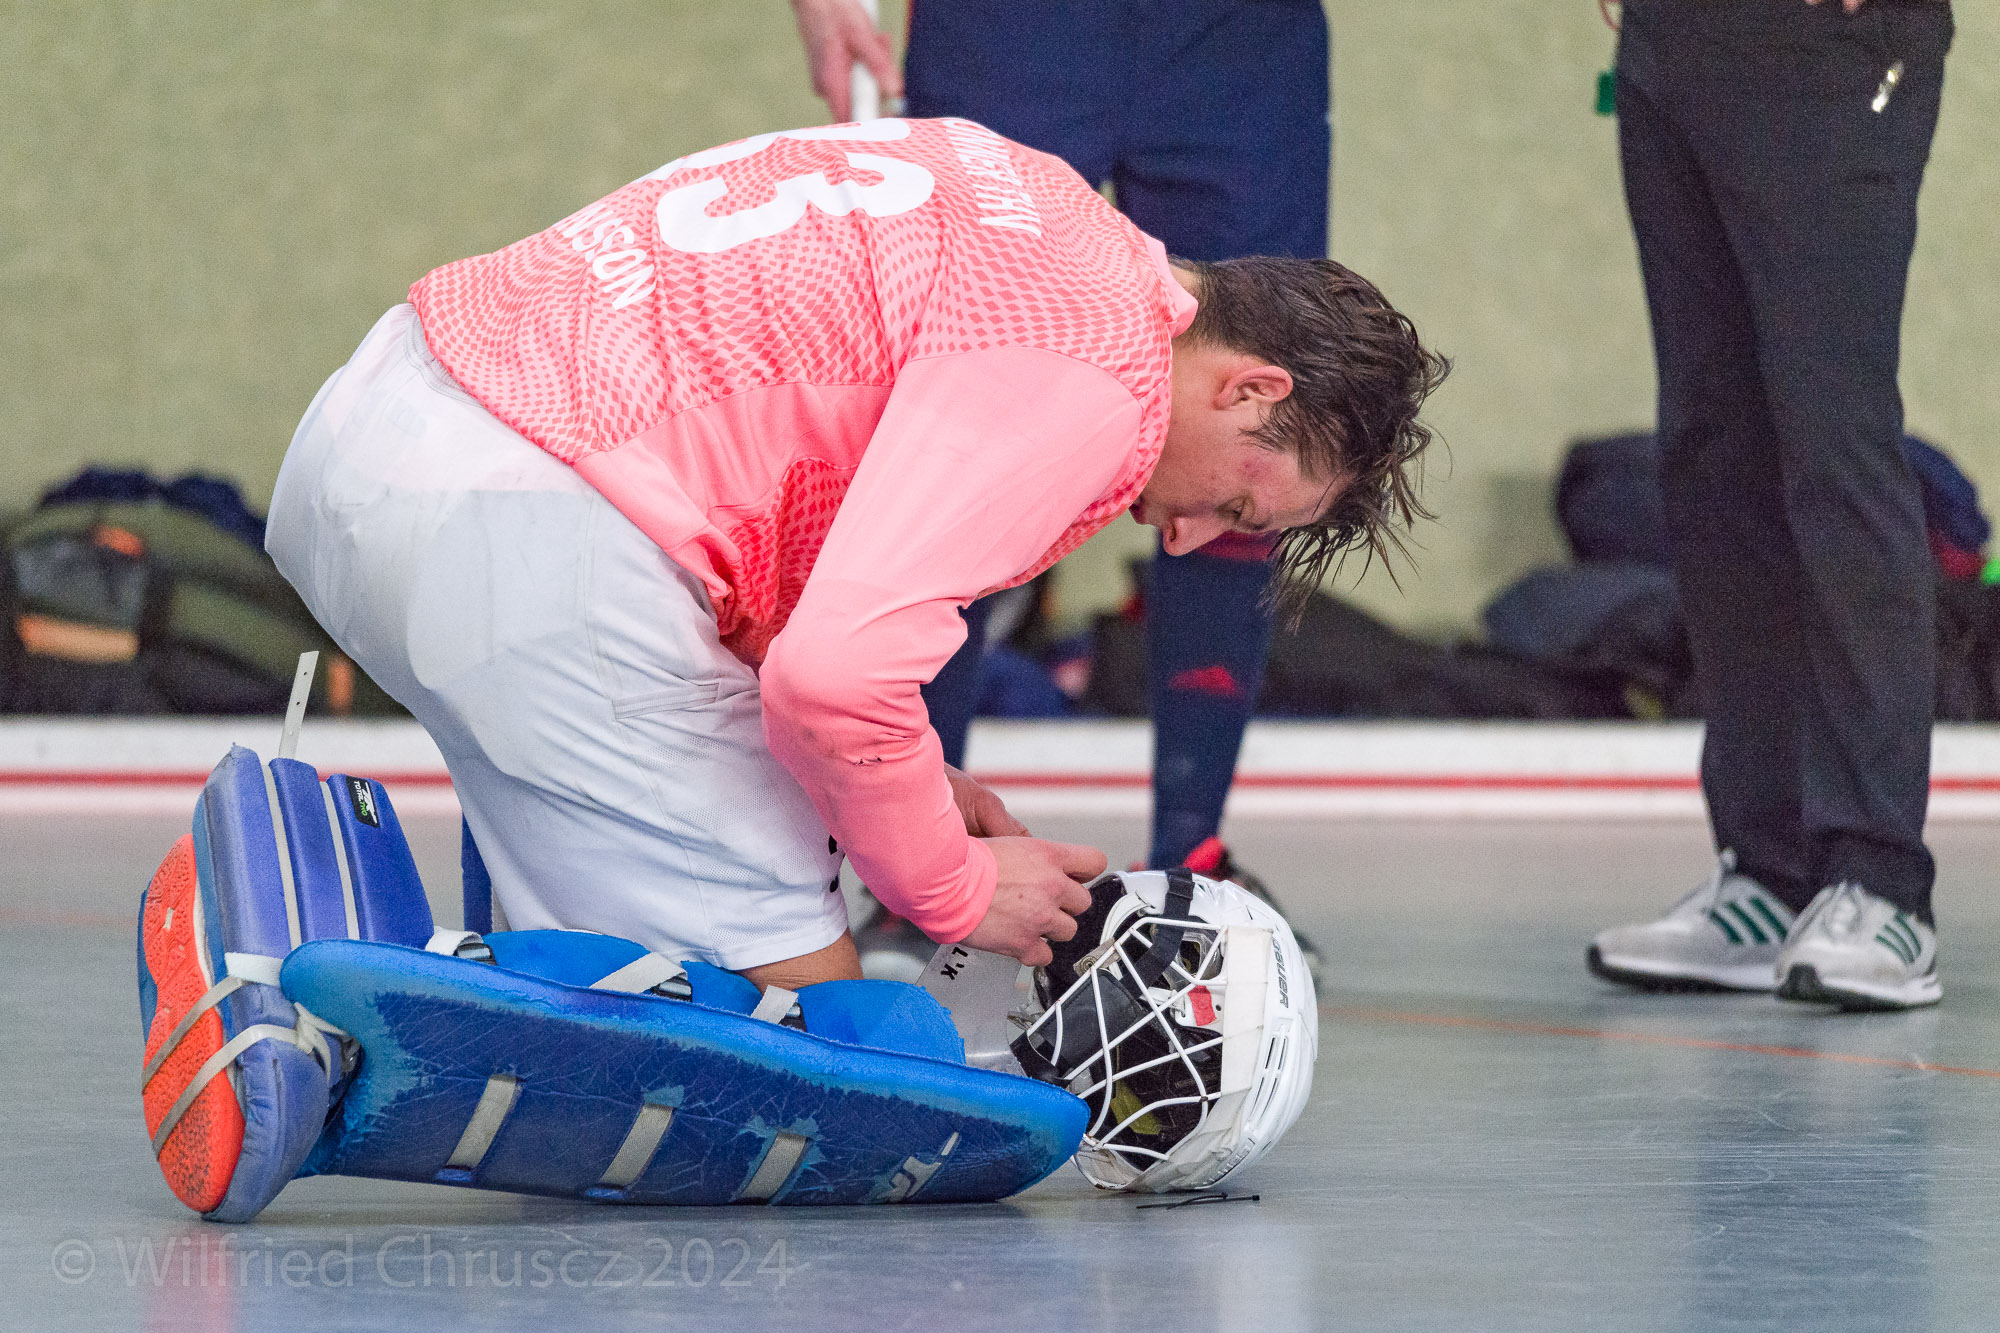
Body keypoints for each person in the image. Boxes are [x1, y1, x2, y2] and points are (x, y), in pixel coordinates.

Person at [268, 116, 1446, 992]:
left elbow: (771, 512)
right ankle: (286, 1014)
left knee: (618, 985)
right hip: (540, 523)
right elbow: (835, 678)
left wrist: (905, 783)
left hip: (391, 417)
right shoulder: (1101, 374)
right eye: (1238, 505)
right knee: (806, 1059)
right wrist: (953, 887)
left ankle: (410, 978)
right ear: (1251, 388)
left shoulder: (1032, 199)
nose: (1182, 536)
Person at [787, 0, 1336, 969]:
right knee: (963, 402)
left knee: (1255, 420)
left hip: (1238, 35)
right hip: (1011, 24)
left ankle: (1192, 859)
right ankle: (911, 864)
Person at [1587, 0, 1954, 1010]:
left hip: (1828, 47)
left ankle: (1879, 878)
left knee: (1834, 446)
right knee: (1711, 455)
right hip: (1673, 42)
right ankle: (1769, 867)